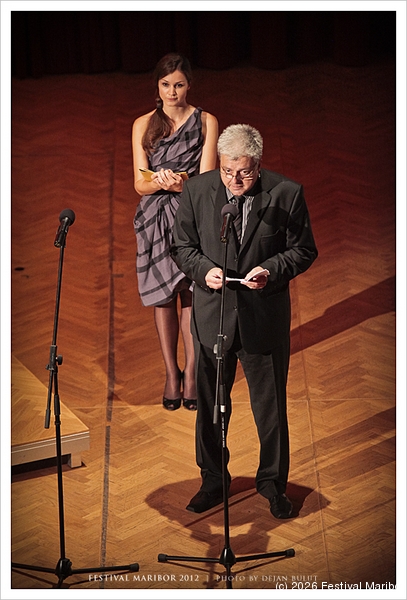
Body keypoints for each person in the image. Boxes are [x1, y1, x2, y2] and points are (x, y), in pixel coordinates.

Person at [171, 124, 318, 518]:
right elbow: (182, 246)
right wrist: (204, 270)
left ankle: (272, 485)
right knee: (210, 408)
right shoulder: (196, 190)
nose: (234, 181)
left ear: (259, 164)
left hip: (262, 320)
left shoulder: (286, 193)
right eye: (227, 171)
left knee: (271, 413)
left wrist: (271, 270)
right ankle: (213, 481)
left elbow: (303, 250)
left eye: (245, 173)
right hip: (213, 318)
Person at [132, 53, 218, 412]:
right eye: (166, 84)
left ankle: (193, 375)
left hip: (191, 216)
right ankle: (172, 375)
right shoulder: (143, 124)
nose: (172, 91)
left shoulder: (206, 121)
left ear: (189, 85)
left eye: (179, 85)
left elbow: (208, 180)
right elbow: (139, 183)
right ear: (158, 86)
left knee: (191, 295)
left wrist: (181, 184)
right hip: (154, 218)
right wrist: (159, 182)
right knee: (163, 298)